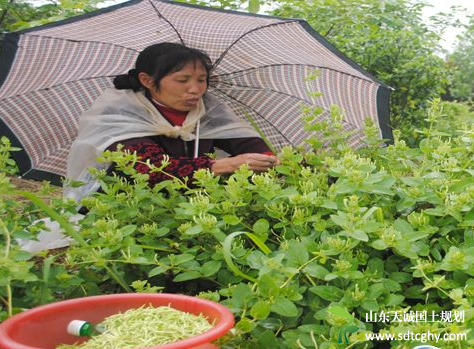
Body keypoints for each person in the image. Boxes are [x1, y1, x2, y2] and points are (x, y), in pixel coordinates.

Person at [64, 42, 279, 202]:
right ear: (147, 80)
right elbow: (152, 170)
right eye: (182, 80)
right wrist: (228, 164)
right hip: (129, 204)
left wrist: (267, 159)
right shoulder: (120, 113)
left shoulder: (207, 110)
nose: (195, 89)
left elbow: (246, 142)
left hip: (192, 204)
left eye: (202, 80)